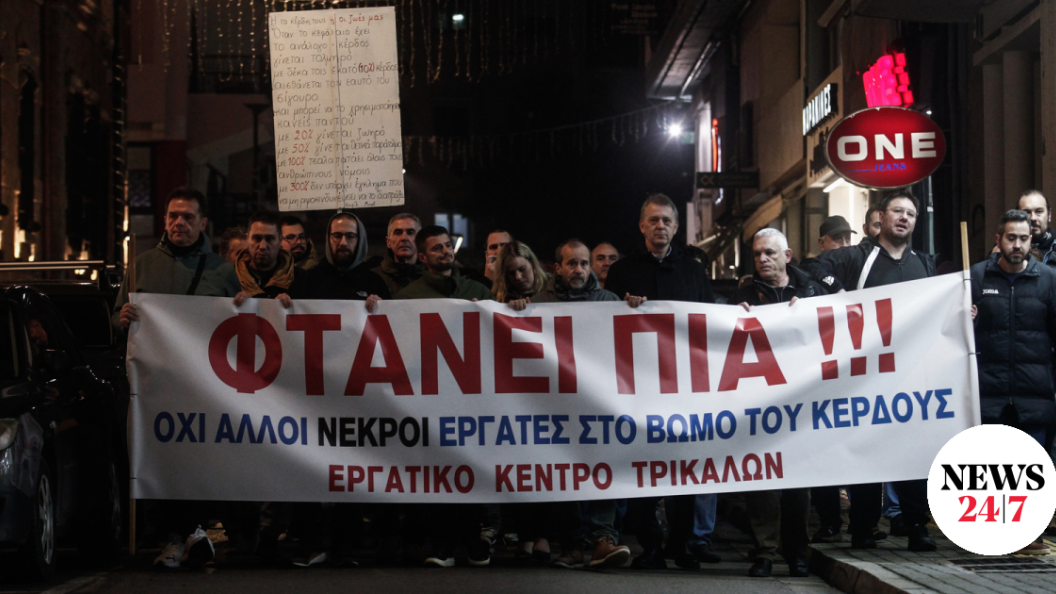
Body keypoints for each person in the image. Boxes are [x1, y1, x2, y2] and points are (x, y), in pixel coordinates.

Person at [802, 191, 937, 552]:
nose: (904, 217)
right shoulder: (857, 257)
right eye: (897, 211)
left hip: (910, 376)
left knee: (911, 453)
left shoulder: (923, 264)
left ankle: (917, 526)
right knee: (867, 453)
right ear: (882, 216)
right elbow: (811, 267)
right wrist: (841, 293)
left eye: (910, 213)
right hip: (866, 378)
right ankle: (862, 527)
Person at [603, 194, 719, 570]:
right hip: (638, 388)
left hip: (683, 389)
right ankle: (650, 545)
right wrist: (624, 308)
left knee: (683, 471)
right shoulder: (622, 271)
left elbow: (711, 322)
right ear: (642, 225)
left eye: (667, 220)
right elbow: (603, 322)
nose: (660, 226)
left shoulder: (694, 272)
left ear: (676, 226)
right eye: (653, 220)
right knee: (642, 470)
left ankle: (680, 545)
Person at [529, 240, 628, 569]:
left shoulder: (609, 302)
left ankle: (603, 540)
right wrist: (516, 311)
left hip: (598, 403)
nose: (579, 270)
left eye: (584, 263)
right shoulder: (539, 304)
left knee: (602, 468)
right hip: (556, 404)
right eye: (572, 263)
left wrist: (636, 309)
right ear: (558, 267)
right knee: (564, 471)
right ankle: (572, 545)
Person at [734, 229, 825, 578]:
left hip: (800, 402)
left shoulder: (811, 291)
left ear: (787, 256)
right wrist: (733, 317)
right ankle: (765, 552)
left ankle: (797, 552)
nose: (762, 259)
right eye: (757, 254)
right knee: (761, 482)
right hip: (759, 402)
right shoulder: (743, 295)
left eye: (769, 253)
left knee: (798, 483)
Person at [971, 209, 1056, 555]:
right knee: (993, 469)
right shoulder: (977, 277)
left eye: (1023, 238)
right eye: (1011, 238)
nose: (1017, 245)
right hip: (989, 392)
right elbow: (956, 333)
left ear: (1030, 241)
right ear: (998, 240)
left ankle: (1027, 534)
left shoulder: (1048, 280)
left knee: (1030, 469)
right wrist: (966, 319)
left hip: (1033, 393)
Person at [113, 187, 239, 330]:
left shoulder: (224, 271)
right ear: (165, 221)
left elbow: (238, 324)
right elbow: (117, 317)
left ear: (203, 224)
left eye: (188, 217)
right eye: (173, 216)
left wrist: (247, 302)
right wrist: (122, 319)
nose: (179, 222)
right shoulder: (140, 265)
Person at [296, 212, 389, 303]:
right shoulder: (309, 281)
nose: (343, 243)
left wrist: (382, 307)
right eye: (337, 236)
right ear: (328, 239)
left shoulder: (374, 283)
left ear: (360, 240)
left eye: (350, 236)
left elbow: (390, 312)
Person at [395, 226, 491, 300]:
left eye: (448, 245)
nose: (446, 251)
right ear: (422, 258)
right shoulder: (409, 297)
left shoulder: (478, 291)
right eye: (437, 248)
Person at [233, 211, 301, 307]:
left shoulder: (300, 279)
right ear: (247, 239)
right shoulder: (230, 278)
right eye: (257, 238)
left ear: (280, 241)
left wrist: (292, 305)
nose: (263, 246)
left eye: (270, 239)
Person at [372, 213, 424, 296]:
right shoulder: (372, 278)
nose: (404, 238)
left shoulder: (432, 278)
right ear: (388, 242)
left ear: (420, 240)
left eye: (410, 232)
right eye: (398, 233)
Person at [491, 241, 549, 307]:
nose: (518, 277)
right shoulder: (497, 299)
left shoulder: (553, 287)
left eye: (522, 269)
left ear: (533, 264)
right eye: (511, 273)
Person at [1017, 189, 1056, 265]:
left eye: (1039, 211)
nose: (1033, 218)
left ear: (1049, 215)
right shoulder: (1005, 249)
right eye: (1027, 212)